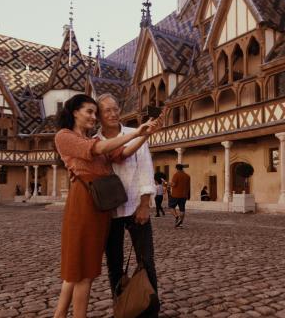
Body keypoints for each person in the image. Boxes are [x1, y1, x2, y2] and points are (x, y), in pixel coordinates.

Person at [53, 94, 158, 318]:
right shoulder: (66, 136)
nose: (94, 116)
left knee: (83, 266)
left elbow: (123, 153)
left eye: (94, 112)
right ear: (74, 112)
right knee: (82, 268)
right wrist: (137, 132)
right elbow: (98, 149)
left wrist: (142, 136)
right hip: (84, 203)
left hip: (102, 206)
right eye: (90, 112)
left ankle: (60, 314)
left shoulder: (93, 138)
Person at [96, 93, 161, 316]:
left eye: (115, 109)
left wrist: (145, 204)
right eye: (107, 111)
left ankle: (150, 310)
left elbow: (145, 168)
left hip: (135, 206)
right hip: (109, 211)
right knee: (114, 265)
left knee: (146, 262)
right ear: (99, 116)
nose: (113, 114)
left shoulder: (135, 136)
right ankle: (121, 307)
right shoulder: (97, 142)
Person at [170, 164, 191, 228]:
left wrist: (167, 184)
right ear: (182, 168)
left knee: (171, 207)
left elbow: (173, 184)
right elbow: (188, 186)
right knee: (182, 209)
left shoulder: (176, 175)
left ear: (176, 168)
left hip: (175, 195)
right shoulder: (187, 176)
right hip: (184, 195)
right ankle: (181, 223)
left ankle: (177, 217)